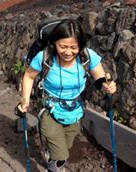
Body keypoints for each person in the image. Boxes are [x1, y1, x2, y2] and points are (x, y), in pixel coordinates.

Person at [17, 19, 116, 171]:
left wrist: (107, 85)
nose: (68, 52)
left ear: (81, 45)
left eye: (73, 47)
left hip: (75, 111)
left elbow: (99, 79)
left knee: (65, 146)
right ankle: (55, 165)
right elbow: (29, 76)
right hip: (49, 109)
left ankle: (50, 153)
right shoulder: (45, 57)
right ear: (54, 43)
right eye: (62, 46)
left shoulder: (87, 57)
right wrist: (25, 101)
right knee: (61, 154)